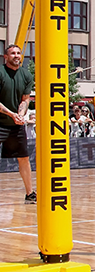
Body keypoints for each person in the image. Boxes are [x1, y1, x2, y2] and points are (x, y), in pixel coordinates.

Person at [0, 45, 35, 203]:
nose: (16, 56)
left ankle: (30, 194)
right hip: (2, 121)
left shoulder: (26, 75)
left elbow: (25, 99)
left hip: (15, 124)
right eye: (12, 53)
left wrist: (20, 115)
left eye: (18, 53)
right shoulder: (0, 72)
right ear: (5, 57)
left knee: (24, 158)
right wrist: (12, 114)